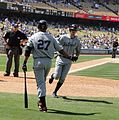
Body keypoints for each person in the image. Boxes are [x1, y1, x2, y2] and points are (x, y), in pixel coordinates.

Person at [22, 20, 74, 112]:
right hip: (48, 62)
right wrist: (69, 56)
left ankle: (43, 104)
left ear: (38, 27)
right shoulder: (51, 37)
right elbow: (60, 50)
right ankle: (40, 100)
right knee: (42, 81)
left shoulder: (33, 36)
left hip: (38, 61)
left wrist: (25, 62)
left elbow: (28, 50)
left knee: (41, 83)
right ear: (46, 27)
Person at [49, 24, 81, 98]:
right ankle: (52, 76)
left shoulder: (77, 41)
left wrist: (76, 56)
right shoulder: (63, 37)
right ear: (69, 30)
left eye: (74, 30)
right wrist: (55, 51)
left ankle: (55, 92)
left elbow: (78, 50)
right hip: (61, 58)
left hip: (69, 60)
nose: (73, 32)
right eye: (72, 30)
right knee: (57, 76)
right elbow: (55, 43)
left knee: (62, 78)